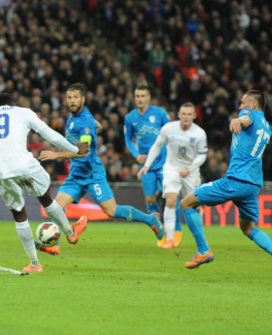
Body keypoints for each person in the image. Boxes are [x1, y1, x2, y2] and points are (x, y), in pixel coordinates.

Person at [0, 93, 89, 274]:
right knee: (46, 198)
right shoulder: (23, 112)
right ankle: (70, 233)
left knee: (19, 215)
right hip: (26, 166)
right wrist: (75, 149)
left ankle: (35, 264)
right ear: (12, 104)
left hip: (2, 172)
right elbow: (49, 134)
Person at [179, 90, 272, 277]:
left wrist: (237, 119)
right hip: (252, 186)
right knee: (248, 227)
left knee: (186, 203)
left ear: (253, 104)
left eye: (243, 103)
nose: (240, 106)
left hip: (235, 181)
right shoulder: (267, 126)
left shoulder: (248, 114)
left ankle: (203, 251)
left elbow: (246, 119)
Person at [39, 83, 164, 256]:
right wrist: (93, 128)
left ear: (83, 99)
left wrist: (56, 155)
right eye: (69, 97)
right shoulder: (77, 116)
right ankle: (56, 244)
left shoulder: (84, 123)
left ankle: (151, 219)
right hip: (76, 175)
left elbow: (83, 153)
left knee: (111, 211)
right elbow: (99, 126)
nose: (72, 101)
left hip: (92, 174)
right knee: (55, 207)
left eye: (76, 97)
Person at [137, 102, 207, 249]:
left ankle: (200, 238)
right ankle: (169, 238)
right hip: (171, 169)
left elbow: (202, 156)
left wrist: (189, 168)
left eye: (189, 114)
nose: (186, 117)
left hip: (191, 171)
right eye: (184, 114)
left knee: (196, 206)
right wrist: (147, 165)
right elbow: (157, 146)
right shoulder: (169, 129)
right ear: (179, 115)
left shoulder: (199, 133)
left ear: (194, 116)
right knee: (170, 200)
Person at [124, 83, 183, 246]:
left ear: (149, 98)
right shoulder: (130, 118)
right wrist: (137, 155)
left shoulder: (160, 113)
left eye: (143, 96)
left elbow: (172, 131)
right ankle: (160, 231)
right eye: (137, 96)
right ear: (134, 98)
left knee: (170, 196)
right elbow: (128, 139)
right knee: (150, 199)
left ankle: (177, 231)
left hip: (164, 163)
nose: (140, 99)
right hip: (147, 165)